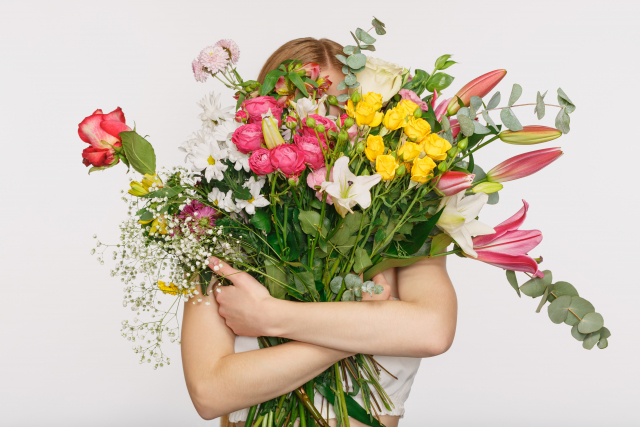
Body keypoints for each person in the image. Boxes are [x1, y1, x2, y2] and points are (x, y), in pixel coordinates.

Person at [181, 38, 458, 427]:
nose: (319, 128)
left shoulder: (404, 231)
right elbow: (210, 393)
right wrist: (364, 325)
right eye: (299, 111)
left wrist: (272, 317)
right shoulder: (224, 230)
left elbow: (432, 332)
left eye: (339, 110)